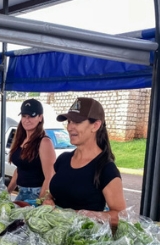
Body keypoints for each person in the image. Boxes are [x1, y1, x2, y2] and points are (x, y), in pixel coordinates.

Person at [43, 97, 127, 227]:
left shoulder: (106, 168)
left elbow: (121, 217)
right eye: (69, 121)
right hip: (52, 235)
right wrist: (48, 200)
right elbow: (53, 194)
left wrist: (79, 215)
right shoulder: (63, 159)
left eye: (77, 121)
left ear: (96, 125)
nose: (70, 127)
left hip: (81, 242)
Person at [6, 99, 56, 203]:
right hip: (21, 192)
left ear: (40, 117)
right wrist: (7, 192)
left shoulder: (44, 142)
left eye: (31, 116)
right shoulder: (20, 139)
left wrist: (40, 202)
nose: (27, 120)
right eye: (24, 116)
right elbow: (19, 169)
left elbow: (50, 176)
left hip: (36, 194)